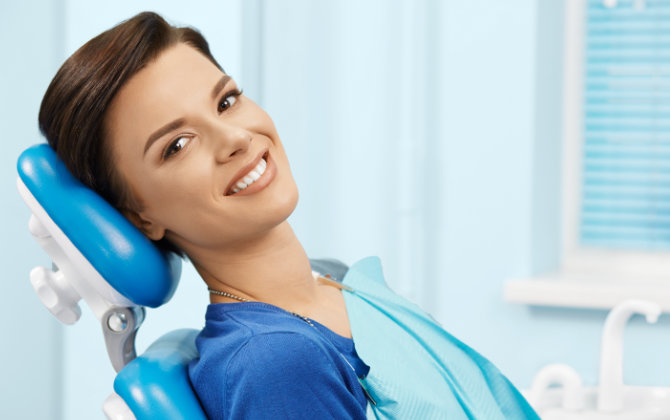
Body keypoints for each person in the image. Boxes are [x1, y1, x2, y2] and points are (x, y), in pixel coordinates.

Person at [38, 11, 539, 420]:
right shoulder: (275, 363)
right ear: (141, 215)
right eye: (178, 145)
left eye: (227, 101)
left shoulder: (335, 281)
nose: (235, 138)